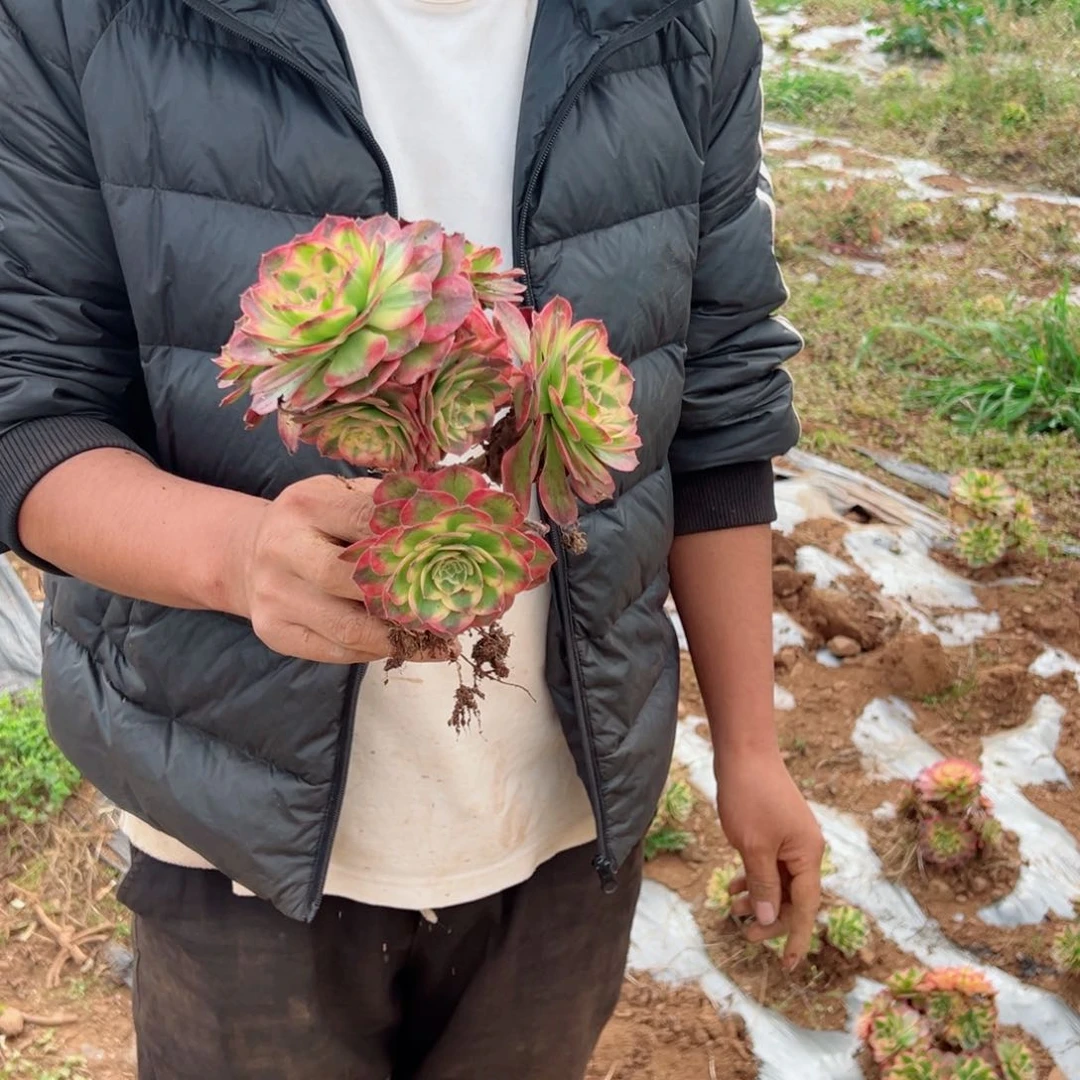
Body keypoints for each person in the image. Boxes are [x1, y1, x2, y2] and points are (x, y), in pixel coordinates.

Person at [0, 0, 824, 1076]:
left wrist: (751, 749)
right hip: (235, 827)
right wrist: (238, 555)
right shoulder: (83, 19)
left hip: (562, 815)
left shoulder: (683, 21)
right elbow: (28, 404)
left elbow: (717, 400)